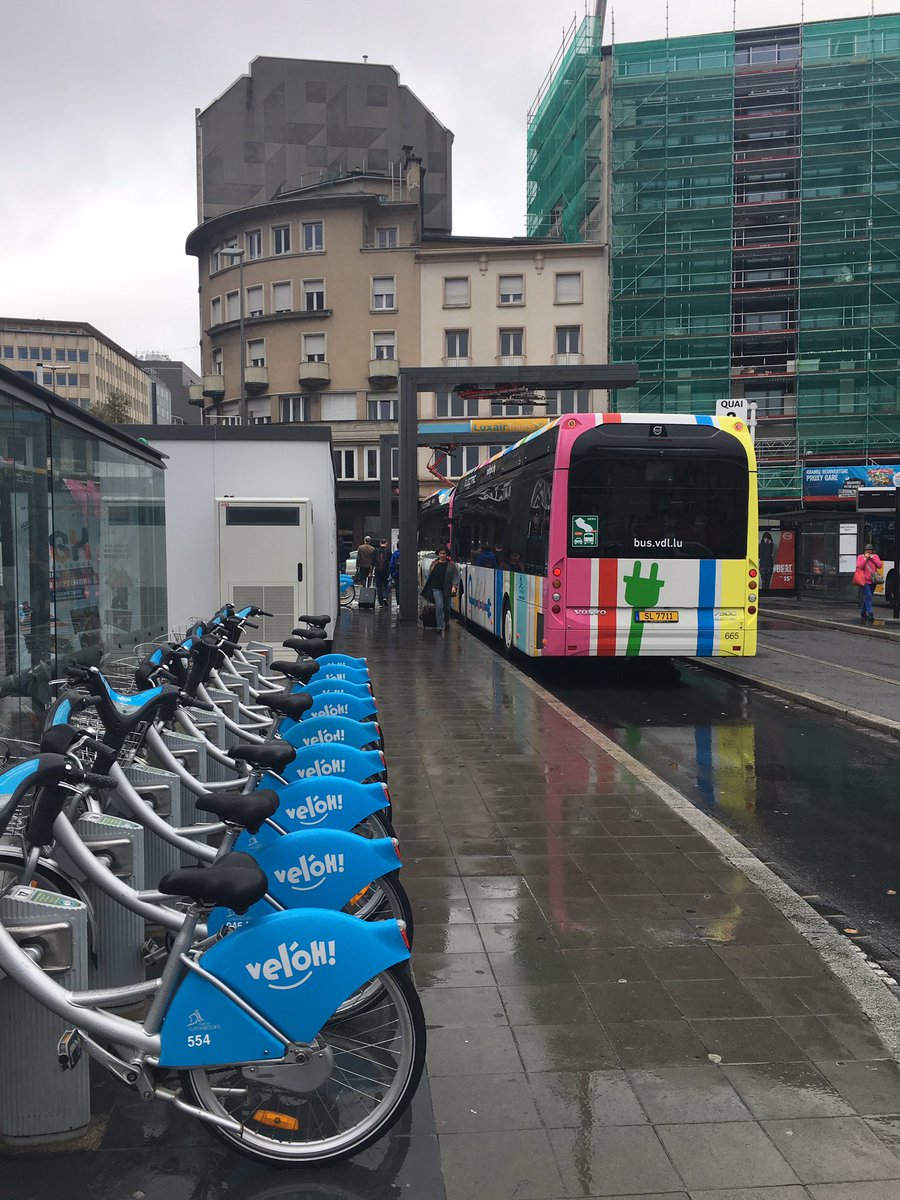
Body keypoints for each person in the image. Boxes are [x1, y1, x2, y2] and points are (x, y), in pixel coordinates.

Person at [420, 546, 459, 634]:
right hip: (436, 588)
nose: (442, 555)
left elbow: (455, 576)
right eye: (440, 553)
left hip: (447, 589)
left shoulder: (451, 565)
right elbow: (430, 576)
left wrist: (454, 586)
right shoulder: (434, 563)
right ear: (438, 554)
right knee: (439, 605)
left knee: (447, 608)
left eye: (444, 553)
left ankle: (447, 621)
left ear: (447, 554)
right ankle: (440, 626)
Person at [855, 543, 883, 623]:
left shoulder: (875, 556)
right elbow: (859, 566)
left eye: (870, 550)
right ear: (864, 551)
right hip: (864, 581)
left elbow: (880, 565)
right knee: (868, 595)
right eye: (867, 550)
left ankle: (863, 611)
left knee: (869, 596)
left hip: (873, 580)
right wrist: (865, 559)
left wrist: (873, 558)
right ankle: (870, 613)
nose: (869, 552)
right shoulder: (860, 557)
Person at [373, 537, 391, 607]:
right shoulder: (388, 551)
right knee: (387, 585)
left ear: (380, 543)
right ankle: (385, 597)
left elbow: (372, 562)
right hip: (386, 571)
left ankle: (380, 603)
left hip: (377, 571)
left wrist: (370, 572)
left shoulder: (376, 551)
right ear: (386, 543)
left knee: (379, 587)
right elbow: (391, 562)